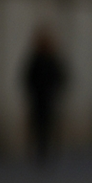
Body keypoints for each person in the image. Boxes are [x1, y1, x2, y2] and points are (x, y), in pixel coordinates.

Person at [22, 28, 66, 163]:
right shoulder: (36, 59)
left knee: (47, 126)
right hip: (38, 98)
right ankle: (40, 151)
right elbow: (27, 78)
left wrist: (55, 89)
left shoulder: (51, 60)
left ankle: (46, 150)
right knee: (38, 126)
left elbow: (61, 76)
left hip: (48, 98)